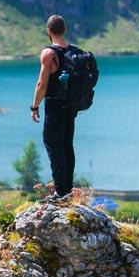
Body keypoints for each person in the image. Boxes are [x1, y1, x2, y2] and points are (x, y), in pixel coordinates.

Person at [30, 14, 81, 201]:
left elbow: (41, 84)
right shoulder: (75, 51)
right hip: (71, 107)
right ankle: (67, 189)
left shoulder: (49, 54)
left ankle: (60, 193)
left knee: (53, 145)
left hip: (54, 106)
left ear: (48, 31)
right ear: (65, 30)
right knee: (67, 146)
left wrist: (34, 107)